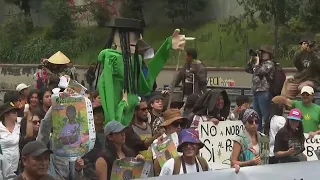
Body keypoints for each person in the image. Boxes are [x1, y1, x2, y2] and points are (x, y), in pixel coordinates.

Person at [96, 18, 186, 126]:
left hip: (128, 117)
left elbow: (145, 85)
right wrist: (113, 122)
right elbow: (107, 89)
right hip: (116, 121)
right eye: (132, 34)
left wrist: (167, 46)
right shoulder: (111, 59)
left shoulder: (135, 60)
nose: (137, 39)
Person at [245, 45, 275, 131]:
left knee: (266, 117)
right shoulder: (259, 64)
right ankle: (258, 135)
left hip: (264, 92)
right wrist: (252, 60)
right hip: (256, 92)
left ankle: (267, 134)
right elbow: (247, 69)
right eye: (263, 53)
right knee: (256, 117)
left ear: (270, 54)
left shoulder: (270, 64)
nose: (263, 55)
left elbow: (259, 71)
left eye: (265, 53)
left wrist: (257, 63)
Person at [282, 33, 320, 99]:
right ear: (301, 45)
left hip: (311, 79)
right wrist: (301, 51)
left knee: (303, 88)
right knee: (287, 91)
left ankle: (307, 106)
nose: (307, 45)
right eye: (304, 43)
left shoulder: (315, 55)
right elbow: (296, 64)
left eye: (308, 43)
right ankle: (290, 107)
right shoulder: (299, 54)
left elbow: (318, 67)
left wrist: (311, 53)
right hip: (299, 79)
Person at [0, 102, 21, 174]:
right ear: (6, 114)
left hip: (15, 166)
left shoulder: (18, 126)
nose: (16, 113)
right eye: (13, 112)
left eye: (16, 111)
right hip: (2, 167)